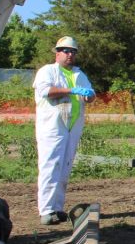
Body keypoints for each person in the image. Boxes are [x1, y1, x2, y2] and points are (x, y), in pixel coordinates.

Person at [34, 36, 95, 226]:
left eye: (73, 52)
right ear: (57, 52)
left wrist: (89, 95)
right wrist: (72, 90)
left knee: (65, 166)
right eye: (66, 51)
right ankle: (46, 209)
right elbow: (47, 91)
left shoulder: (79, 74)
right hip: (52, 126)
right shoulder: (48, 71)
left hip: (72, 126)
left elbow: (89, 94)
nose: (70, 55)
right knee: (50, 166)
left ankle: (57, 208)